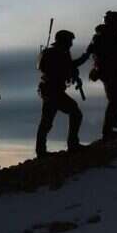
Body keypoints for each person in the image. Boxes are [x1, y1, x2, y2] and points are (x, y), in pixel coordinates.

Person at [36, 30, 90, 158]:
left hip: (52, 90)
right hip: (52, 91)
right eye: (70, 41)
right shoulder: (56, 53)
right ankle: (69, 145)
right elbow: (68, 66)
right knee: (54, 119)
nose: (71, 44)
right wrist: (85, 57)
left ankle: (43, 151)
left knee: (49, 121)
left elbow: (67, 68)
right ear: (64, 41)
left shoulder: (59, 52)